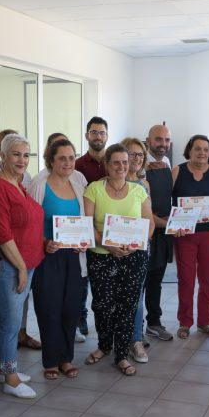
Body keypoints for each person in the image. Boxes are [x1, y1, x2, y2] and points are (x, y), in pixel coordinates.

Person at [83, 144, 154, 376]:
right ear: (107, 164)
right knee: (102, 305)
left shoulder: (139, 191)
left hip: (134, 258)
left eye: (125, 162)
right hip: (102, 256)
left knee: (127, 306)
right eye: (116, 162)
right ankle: (104, 345)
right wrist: (108, 246)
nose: (122, 166)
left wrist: (134, 244)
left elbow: (149, 224)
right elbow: (88, 224)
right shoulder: (93, 189)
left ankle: (121, 354)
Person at [0, 129, 40, 350]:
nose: (22, 160)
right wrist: (21, 268)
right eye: (16, 154)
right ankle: (10, 378)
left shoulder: (18, 183)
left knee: (6, 321)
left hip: (24, 263)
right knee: (11, 324)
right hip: (9, 266)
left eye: (26, 155)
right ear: (2, 156)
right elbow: (2, 234)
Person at [29, 139, 86, 378]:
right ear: (50, 160)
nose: (67, 162)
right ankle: (51, 360)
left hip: (73, 255)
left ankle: (66, 358)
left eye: (71, 157)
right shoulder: (39, 184)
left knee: (71, 308)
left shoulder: (79, 182)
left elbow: (86, 218)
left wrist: (85, 242)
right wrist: (44, 242)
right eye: (62, 157)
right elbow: (30, 223)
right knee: (49, 307)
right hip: (47, 255)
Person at [171, 135, 209, 339]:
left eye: (206, 149)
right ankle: (185, 322)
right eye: (197, 148)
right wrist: (174, 221)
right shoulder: (177, 171)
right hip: (185, 234)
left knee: (208, 279)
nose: (202, 153)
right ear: (189, 150)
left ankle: (204, 321)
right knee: (186, 279)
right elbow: (165, 201)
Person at [75, 117, 109, 337]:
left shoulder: (114, 160)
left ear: (107, 136)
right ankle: (81, 318)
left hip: (112, 230)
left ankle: (106, 323)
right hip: (85, 228)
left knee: (104, 284)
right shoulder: (77, 165)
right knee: (83, 277)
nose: (98, 136)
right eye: (94, 132)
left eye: (102, 132)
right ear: (87, 135)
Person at [144, 124, 175, 342]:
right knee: (139, 282)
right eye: (158, 139)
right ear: (148, 140)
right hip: (146, 230)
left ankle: (153, 323)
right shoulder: (139, 164)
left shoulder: (166, 163)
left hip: (164, 232)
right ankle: (133, 328)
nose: (163, 144)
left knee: (156, 280)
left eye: (166, 140)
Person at [124, 137, 152, 362]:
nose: (136, 158)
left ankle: (136, 339)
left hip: (139, 249)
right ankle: (117, 340)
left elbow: (148, 220)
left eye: (140, 155)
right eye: (131, 154)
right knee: (116, 297)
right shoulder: (108, 182)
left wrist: (141, 240)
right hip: (113, 249)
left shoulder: (144, 184)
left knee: (137, 297)